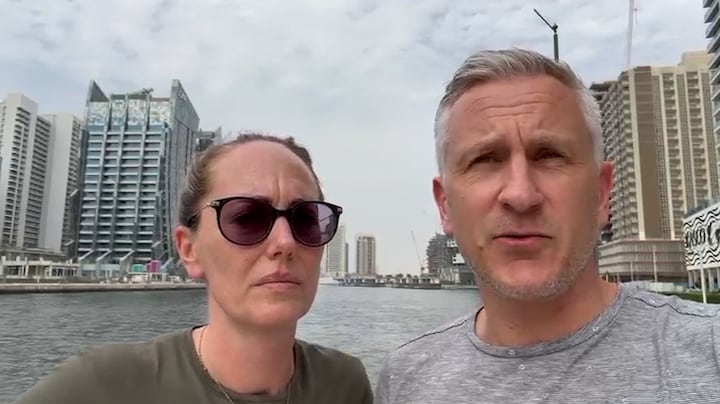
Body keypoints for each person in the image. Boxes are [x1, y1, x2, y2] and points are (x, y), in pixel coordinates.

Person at [375, 48, 720, 403]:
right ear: (445, 205)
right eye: (485, 159)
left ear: (602, 193)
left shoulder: (710, 351)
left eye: (550, 155)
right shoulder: (406, 379)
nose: (521, 195)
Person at [15, 133, 374, 404]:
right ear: (189, 250)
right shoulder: (102, 386)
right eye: (246, 218)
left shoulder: (344, 384)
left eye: (307, 219)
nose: (285, 242)